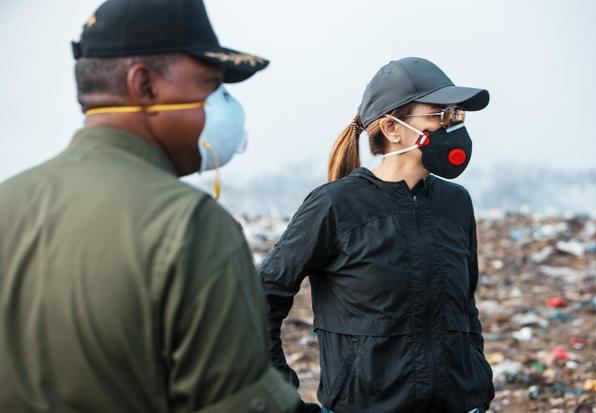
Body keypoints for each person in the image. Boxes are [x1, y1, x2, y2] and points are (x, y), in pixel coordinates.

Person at [0, 0, 302, 412]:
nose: (225, 105)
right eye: (211, 84)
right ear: (144, 85)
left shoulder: (9, 202)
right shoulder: (189, 226)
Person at [259, 57, 495, 413]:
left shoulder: (456, 204)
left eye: (456, 115)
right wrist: (286, 403)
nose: (453, 127)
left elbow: (464, 307)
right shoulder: (335, 205)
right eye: (439, 115)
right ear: (391, 127)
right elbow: (260, 301)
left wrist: (478, 385)